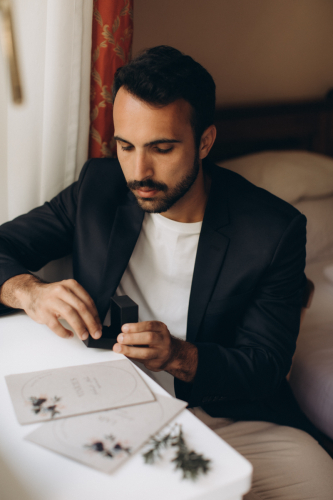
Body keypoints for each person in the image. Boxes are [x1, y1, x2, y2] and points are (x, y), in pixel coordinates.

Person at [0, 46, 332, 499]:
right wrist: (29, 291)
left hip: (229, 415)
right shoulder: (99, 187)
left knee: (320, 481)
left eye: (162, 148)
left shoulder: (273, 230)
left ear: (205, 142)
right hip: (110, 404)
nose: (139, 171)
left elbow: (265, 366)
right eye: (125, 146)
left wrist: (180, 355)